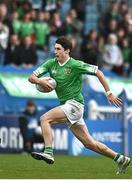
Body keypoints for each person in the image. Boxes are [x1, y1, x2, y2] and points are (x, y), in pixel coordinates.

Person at [28, 36, 130, 174]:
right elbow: (31, 77)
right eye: (55, 49)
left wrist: (109, 93)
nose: (55, 51)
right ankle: (119, 158)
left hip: (75, 105)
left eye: (58, 49)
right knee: (89, 144)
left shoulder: (76, 65)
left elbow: (99, 73)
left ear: (67, 51)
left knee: (44, 119)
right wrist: (41, 82)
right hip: (67, 106)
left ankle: (48, 152)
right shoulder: (50, 64)